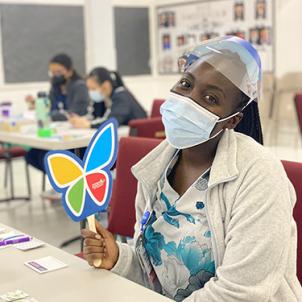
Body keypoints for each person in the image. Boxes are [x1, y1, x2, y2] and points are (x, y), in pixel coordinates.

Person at [82, 36, 302, 301]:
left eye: (210, 98)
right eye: (186, 84)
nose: (188, 100)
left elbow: (241, 294)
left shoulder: (260, 175)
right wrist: (118, 257)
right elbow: (156, 274)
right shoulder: (156, 168)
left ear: (232, 120)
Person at [25, 54, 89, 199]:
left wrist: (56, 114)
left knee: (47, 156)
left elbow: (74, 113)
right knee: (32, 155)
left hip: (78, 133)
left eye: (59, 71)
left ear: (69, 71)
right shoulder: (55, 87)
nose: (55, 75)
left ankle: (67, 186)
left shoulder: (79, 86)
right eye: (52, 72)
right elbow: (49, 109)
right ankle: (63, 184)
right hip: (59, 131)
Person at [69, 67, 147, 129]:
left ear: (106, 85)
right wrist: (80, 120)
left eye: (93, 89)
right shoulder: (103, 98)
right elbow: (95, 116)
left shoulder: (121, 97)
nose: (90, 92)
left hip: (139, 137)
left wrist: (89, 125)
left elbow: (112, 123)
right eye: (88, 89)